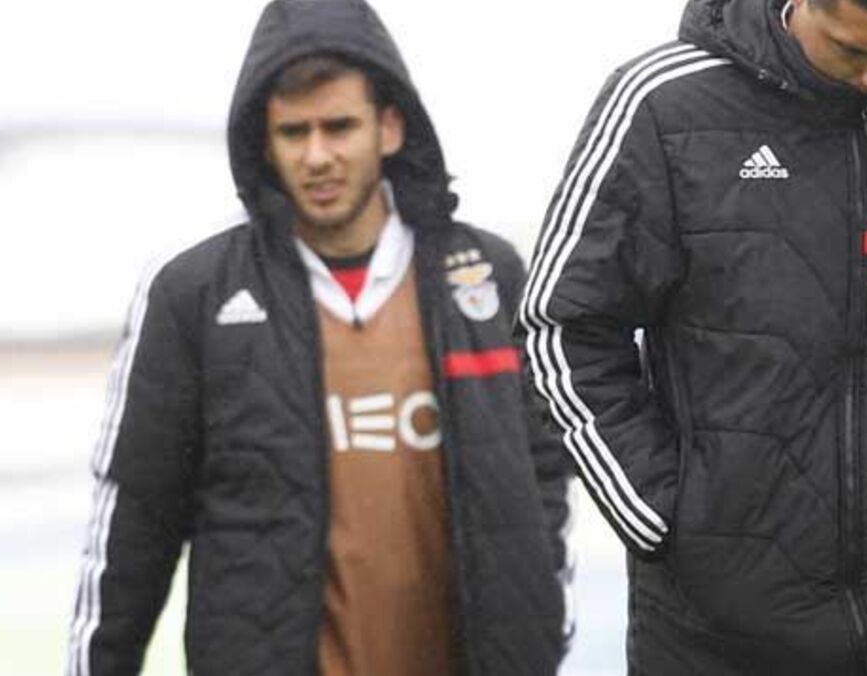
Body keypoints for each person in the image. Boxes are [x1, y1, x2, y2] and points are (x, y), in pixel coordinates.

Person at [518, 0, 867, 674]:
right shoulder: (664, 105)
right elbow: (564, 326)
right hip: (717, 627)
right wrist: (660, 516)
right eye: (855, 51)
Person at [65, 1, 570, 674]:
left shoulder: (488, 278)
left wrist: (543, 634)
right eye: (293, 132)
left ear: (389, 127)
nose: (317, 156)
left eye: (339, 127)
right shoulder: (194, 296)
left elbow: (545, 477)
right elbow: (134, 522)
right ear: (264, 143)